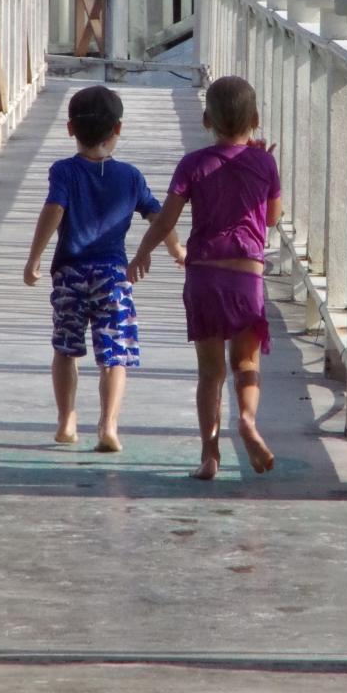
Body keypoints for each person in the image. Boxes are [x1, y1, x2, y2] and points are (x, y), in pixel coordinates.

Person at [127, 75, 281, 480]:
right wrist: (263, 168)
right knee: (245, 363)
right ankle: (247, 420)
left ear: (206, 120)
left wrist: (142, 252)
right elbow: (272, 218)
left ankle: (209, 454)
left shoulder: (193, 164)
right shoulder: (265, 163)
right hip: (247, 277)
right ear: (256, 119)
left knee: (210, 373)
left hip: (204, 277)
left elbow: (166, 220)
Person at [24, 84, 185, 453]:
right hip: (113, 277)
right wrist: (176, 249)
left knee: (65, 349)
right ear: (118, 129)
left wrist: (34, 258)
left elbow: (54, 210)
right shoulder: (130, 176)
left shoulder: (63, 171)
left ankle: (66, 420)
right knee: (115, 355)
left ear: (70, 129)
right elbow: (158, 216)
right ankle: (109, 425)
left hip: (70, 274)